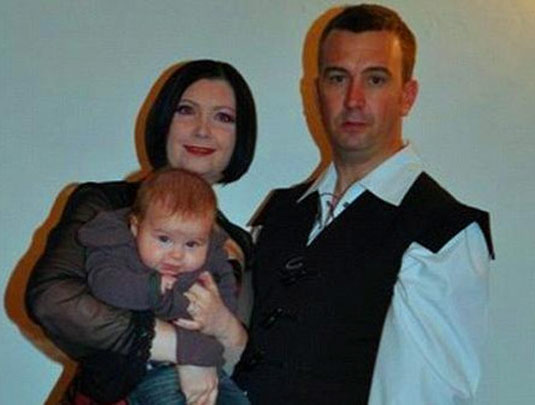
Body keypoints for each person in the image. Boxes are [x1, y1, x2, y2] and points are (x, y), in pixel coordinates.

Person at [232, 4, 495, 404]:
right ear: (317, 92)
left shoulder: (442, 232)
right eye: (338, 78)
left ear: (407, 96)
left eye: (375, 79)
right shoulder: (279, 212)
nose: (353, 100)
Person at [25, 59, 256, 405]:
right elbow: (52, 300)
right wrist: (184, 350)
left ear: (240, 137)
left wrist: (224, 328)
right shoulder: (106, 204)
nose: (202, 130)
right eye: (186, 111)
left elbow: (244, 361)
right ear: (163, 121)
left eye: (223, 117)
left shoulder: (239, 241)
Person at [77, 168, 248, 405]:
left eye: (191, 244)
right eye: (164, 239)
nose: (176, 255)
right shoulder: (117, 249)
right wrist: (152, 288)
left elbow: (226, 299)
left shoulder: (213, 262)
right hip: (145, 369)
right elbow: (105, 284)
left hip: (208, 369)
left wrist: (218, 318)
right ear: (136, 228)